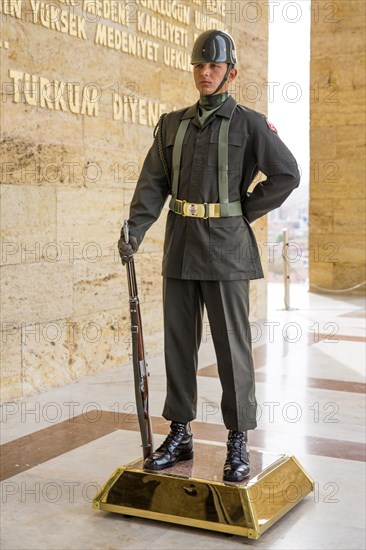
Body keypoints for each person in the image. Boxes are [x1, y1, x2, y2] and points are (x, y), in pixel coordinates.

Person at [118, 30, 300, 482]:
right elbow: (152, 184)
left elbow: (286, 174)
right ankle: (179, 434)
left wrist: (242, 212)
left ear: (231, 72)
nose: (205, 73)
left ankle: (237, 439)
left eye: (214, 66)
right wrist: (134, 230)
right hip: (181, 248)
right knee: (179, 345)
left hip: (227, 253)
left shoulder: (251, 124)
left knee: (232, 350)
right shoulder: (172, 124)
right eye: (200, 66)